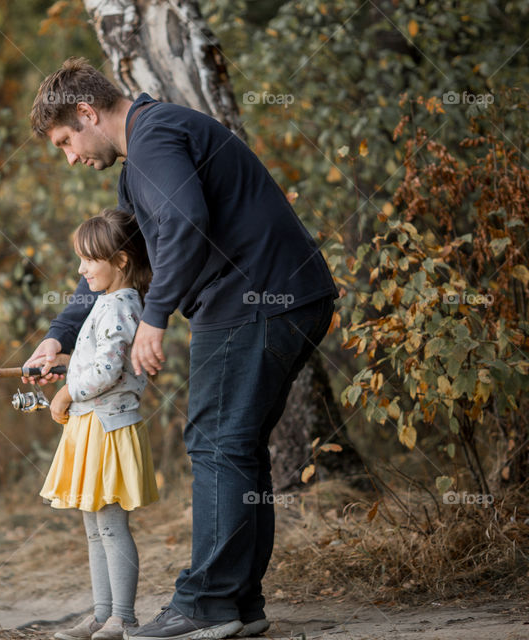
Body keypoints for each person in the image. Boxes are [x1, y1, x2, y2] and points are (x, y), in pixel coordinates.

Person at [24, 58, 339, 640]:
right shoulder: (140, 163)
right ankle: (240, 605)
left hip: (256, 301)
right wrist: (58, 336)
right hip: (279, 299)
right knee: (234, 447)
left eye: (67, 140)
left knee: (217, 442)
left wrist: (155, 317)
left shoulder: (157, 136)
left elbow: (185, 224)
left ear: (87, 113)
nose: (70, 158)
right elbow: (114, 264)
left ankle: (206, 605)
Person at [40, 209, 159, 640]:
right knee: (94, 527)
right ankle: (102, 613)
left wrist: (67, 391)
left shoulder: (123, 305)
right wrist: (64, 364)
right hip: (91, 426)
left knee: (110, 524)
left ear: (121, 261)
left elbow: (108, 372)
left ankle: (123, 618)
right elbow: (99, 360)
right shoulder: (107, 302)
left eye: (89, 260)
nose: (81, 269)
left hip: (108, 428)